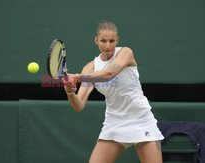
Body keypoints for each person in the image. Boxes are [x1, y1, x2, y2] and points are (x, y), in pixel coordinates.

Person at [63, 20, 164, 163]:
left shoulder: (126, 53)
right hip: (114, 122)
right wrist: (70, 92)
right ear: (96, 40)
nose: (108, 45)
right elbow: (78, 105)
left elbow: (109, 74)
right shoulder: (90, 68)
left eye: (111, 41)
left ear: (117, 40)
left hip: (141, 119)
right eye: (103, 41)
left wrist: (78, 77)